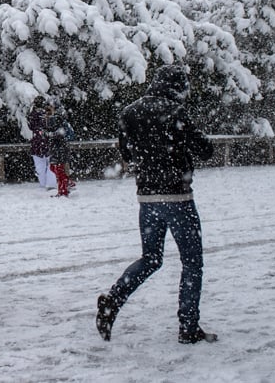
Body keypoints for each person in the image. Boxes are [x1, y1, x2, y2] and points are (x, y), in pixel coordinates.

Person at [95, 65, 217, 344]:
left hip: (147, 198)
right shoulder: (175, 112)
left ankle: (113, 300)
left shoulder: (129, 112)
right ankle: (188, 327)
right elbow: (205, 150)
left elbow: (127, 153)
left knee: (150, 258)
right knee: (192, 262)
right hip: (178, 197)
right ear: (178, 86)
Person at [28, 96, 57, 190]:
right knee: (51, 163)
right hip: (47, 141)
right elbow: (52, 127)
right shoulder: (47, 114)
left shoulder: (32, 115)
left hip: (36, 143)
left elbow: (31, 127)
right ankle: (51, 184)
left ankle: (43, 184)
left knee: (40, 166)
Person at [47, 102, 73, 198]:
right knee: (54, 168)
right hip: (59, 148)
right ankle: (67, 184)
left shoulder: (58, 118)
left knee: (58, 170)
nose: (49, 109)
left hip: (59, 148)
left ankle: (63, 191)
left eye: (51, 107)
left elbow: (59, 133)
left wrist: (49, 134)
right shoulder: (59, 118)